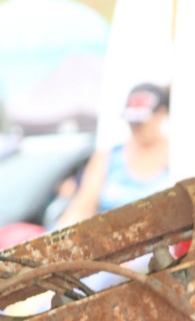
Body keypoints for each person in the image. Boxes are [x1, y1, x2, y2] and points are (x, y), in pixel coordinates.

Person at [57, 82, 170, 226]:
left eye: (140, 121)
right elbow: (83, 205)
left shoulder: (175, 155)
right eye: (132, 121)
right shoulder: (107, 157)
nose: (135, 127)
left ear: (161, 114)